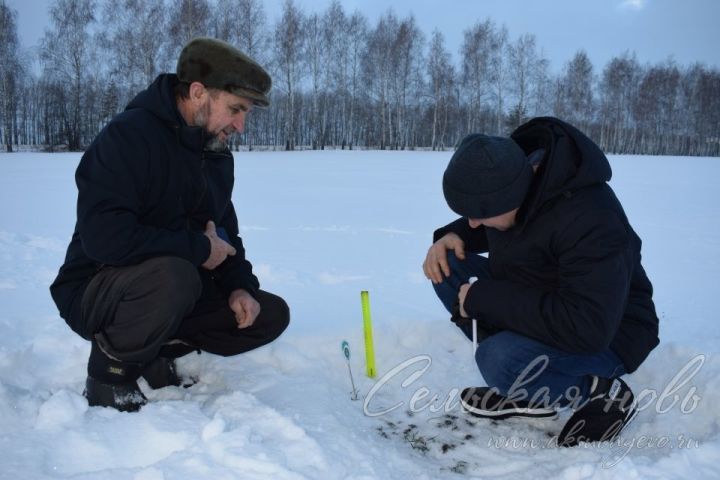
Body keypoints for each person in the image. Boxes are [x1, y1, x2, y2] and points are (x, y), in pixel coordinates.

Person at [50, 37, 289, 412]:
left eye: (247, 113)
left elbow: (225, 235)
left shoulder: (214, 155)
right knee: (176, 274)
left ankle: (153, 351)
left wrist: (240, 286)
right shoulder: (128, 138)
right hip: (95, 290)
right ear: (198, 92)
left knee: (268, 313)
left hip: (170, 287)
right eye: (236, 109)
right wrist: (197, 249)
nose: (241, 125)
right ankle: (109, 373)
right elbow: (104, 239)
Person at [423, 117, 659, 446]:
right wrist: (451, 234)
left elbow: (587, 326)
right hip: (546, 296)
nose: (473, 223)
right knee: (446, 265)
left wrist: (483, 299)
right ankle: (526, 388)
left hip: (611, 331)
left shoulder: (592, 219)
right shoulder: (517, 182)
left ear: (513, 195)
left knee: (499, 359)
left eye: (479, 214)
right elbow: (503, 222)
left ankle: (605, 395)